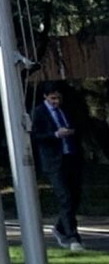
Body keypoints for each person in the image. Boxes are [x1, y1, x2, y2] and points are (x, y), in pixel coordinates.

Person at [32, 81, 85, 250]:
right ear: (45, 97)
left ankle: (61, 227)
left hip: (70, 156)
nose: (56, 102)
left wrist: (71, 132)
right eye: (53, 98)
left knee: (75, 196)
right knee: (65, 197)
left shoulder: (64, 110)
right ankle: (71, 236)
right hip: (54, 161)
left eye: (58, 98)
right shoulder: (39, 113)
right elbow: (36, 135)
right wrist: (55, 134)